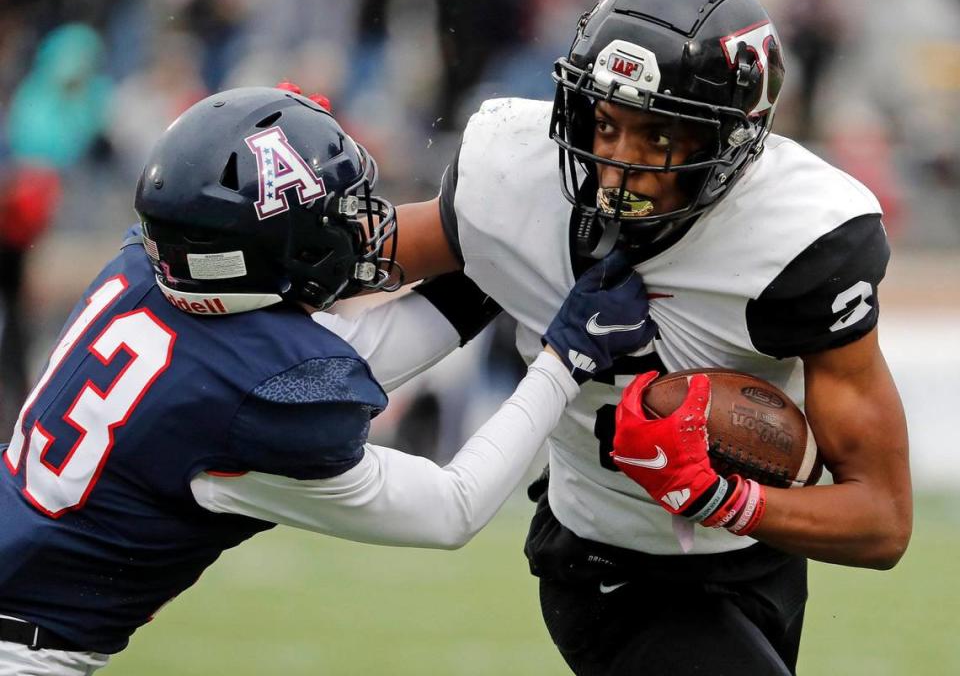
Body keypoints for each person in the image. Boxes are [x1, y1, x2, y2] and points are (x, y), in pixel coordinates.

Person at [295, 0, 912, 675]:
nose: (617, 165)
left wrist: (721, 495)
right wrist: (275, 223)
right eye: (607, 124)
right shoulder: (514, 177)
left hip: (759, 564)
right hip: (604, 563)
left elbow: (883, 521)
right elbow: (350, 261)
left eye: (659, 138)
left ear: (731, 143)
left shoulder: (801, 242)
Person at [0, 86, 658, 674]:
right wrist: (565, 360)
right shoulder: (251, 399)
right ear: (265, 252)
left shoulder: (153, 275)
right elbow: (451, 506)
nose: (356, 226)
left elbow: (366, 348)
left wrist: (506, 253)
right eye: (332, 215)